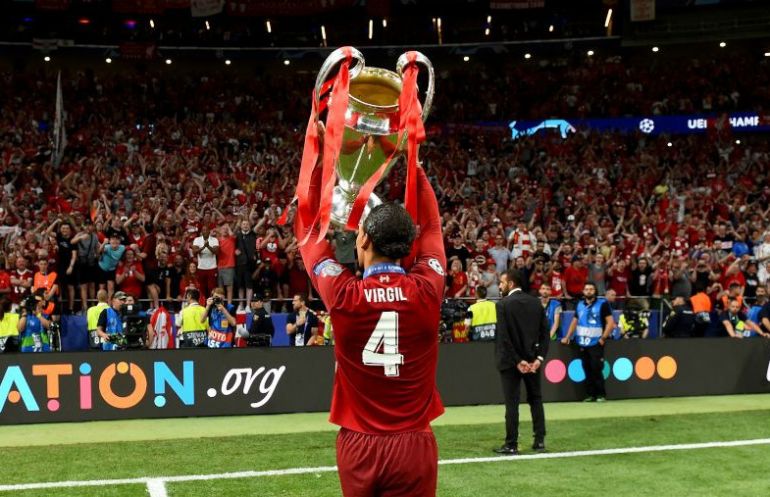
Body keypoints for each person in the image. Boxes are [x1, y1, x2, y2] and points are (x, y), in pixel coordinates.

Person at [296, 164, 445, 497]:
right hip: (413, 444)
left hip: (358, 444)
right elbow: (433, 227)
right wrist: (417, 168)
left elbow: (306, 229)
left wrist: (319, 164)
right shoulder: (428, 289)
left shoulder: (343, 294)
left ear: (362, 237)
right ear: (409, 247)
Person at [494, 269, 549, 455]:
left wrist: (518, 361)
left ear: (510, 284)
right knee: (536, 399)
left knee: (512, 402)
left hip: (511, 362)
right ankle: (539, 441)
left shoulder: (503, 305)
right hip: (533, 360)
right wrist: (538, 358)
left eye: (501, 282)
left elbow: (504, 337)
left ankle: (511, 444)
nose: (499, 286)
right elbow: (545, 334)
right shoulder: (536, 303)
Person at [562, 282, 615, 402]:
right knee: (586, 368)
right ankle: (590, 395)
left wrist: (603, 338)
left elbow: (610, 323)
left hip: (596, 342)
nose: (589, 291)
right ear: (583, 291)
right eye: (586, 289)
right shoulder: (579, 304)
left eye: (591, 289)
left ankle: (601, 395)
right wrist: (567, 336)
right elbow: (574, 322)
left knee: (596, 368)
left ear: (595, 291)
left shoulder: (603, 304)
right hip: (582, 343)